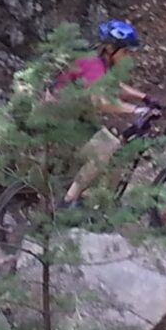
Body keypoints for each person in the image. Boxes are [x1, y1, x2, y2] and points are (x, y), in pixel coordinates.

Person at [54, 20, 153, 202]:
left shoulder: (101, 63)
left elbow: (115, 85)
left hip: (75, 118)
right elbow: (101, 102)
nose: (128, 56)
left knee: (112, 150)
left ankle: (93, 203)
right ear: (110, 49)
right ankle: (67, 202)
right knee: (106, 146)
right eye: (125, 51)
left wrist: (145, 98)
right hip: (57, 121)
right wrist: (137, 110)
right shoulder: (93, 64)